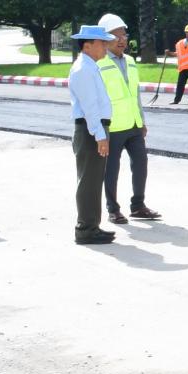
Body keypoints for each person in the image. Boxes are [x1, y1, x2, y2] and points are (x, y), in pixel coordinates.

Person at [97, 13, 161, 225]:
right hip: (113, 127)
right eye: (117, 36)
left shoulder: (131, 62)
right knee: (111, 170)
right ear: (105, 39)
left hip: (134, 125)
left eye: (124, 35)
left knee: (141, 164)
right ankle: (113, 209)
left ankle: (138, 205)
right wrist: (100, 129)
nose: (122, 40)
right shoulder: (99, 63)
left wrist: (142, 120)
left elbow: (135, 94)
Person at [69, 24, 115, 245]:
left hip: (93, 129)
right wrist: (100, 135)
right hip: (90, 130)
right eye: (102, 43)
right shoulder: (83, 69)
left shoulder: (90, 66)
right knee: (89, 181)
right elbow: (90, 107)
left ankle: (92, 226)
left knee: (94, 180)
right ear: (87, 46)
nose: (106, 46)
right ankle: (85, 229)